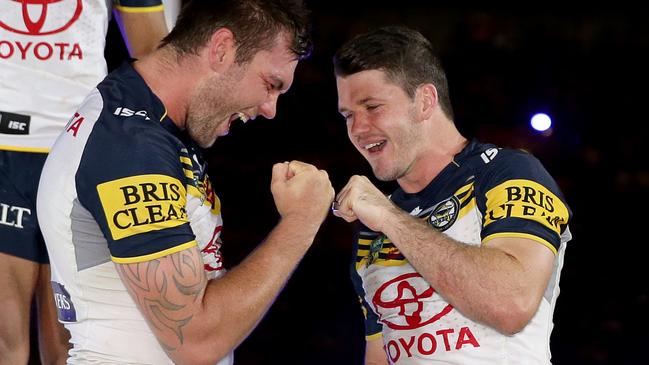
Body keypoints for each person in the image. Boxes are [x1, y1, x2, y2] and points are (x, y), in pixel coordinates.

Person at [36, 0, 334, 363]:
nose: (270, 109)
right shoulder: (130, 148)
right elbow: (195, 341)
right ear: (222, 49)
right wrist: (301, 222)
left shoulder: (151, 126)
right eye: (271, 84)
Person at [332, 26, 572, 364]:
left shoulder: (506, 172)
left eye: (372, 107)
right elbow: (380, 354)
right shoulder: (372, 225)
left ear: (426, 101)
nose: (357, 129)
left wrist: (390, 219)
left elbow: (510, 304)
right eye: (348, 115)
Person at [0, 1, 174, 363]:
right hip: (5, 149)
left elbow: (153, 51)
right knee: (5, 338)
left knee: (71, 342)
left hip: (77, 150)